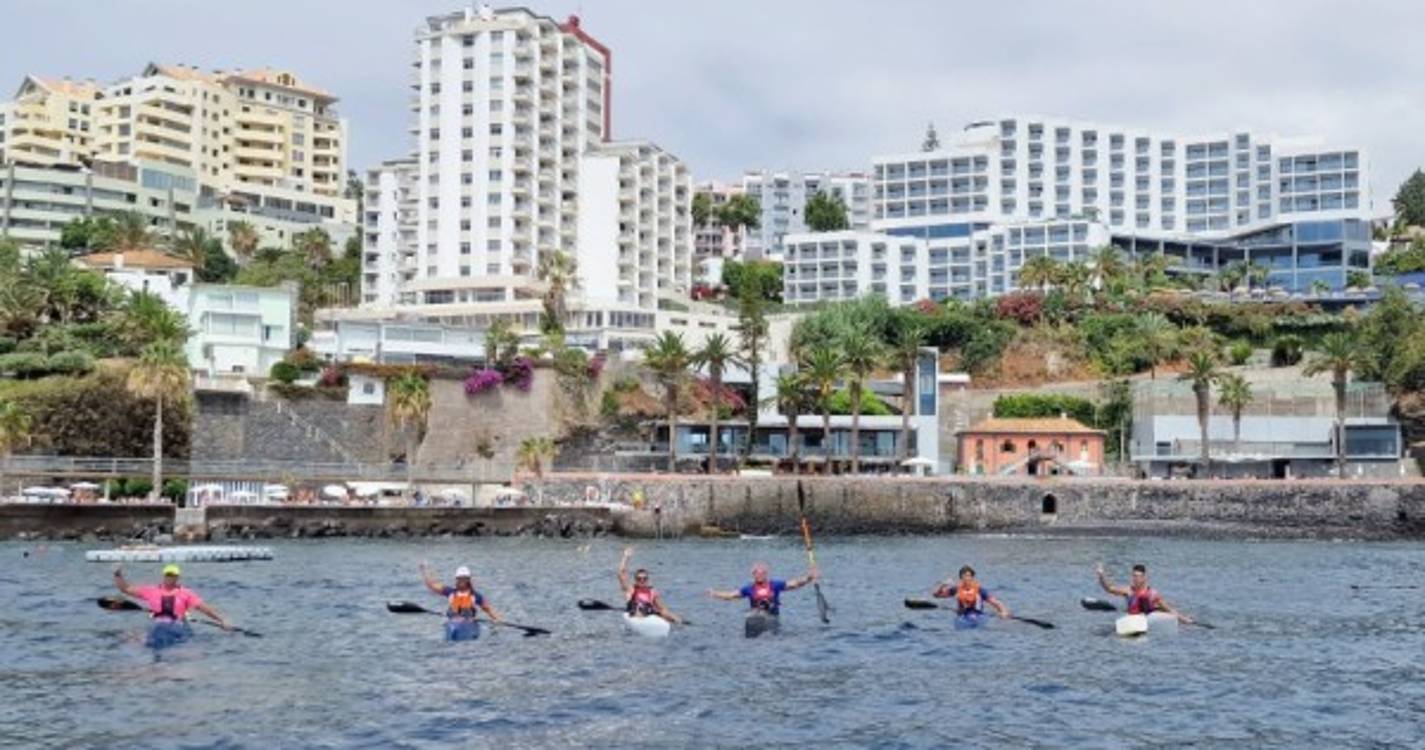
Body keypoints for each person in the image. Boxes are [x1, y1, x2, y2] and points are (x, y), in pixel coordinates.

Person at [112, 563, 229, 629]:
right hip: (157, 627)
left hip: (178, 627)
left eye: (173, 575)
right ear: (164, 575)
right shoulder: (151, 591)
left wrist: (222, 620)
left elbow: (203, 608)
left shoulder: (186, 593)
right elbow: (125, 589)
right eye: (168, 574)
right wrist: (117, 574)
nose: (170, 577)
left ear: (177, 577)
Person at [420, 562, 503, 637]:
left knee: (466, 611)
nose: (462, 581)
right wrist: (424, 571)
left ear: (468, 580)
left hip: (468, 624)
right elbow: (431, 585)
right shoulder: (450, 592)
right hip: (453, 623)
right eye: (460, 578)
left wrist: (497, 620)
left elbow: (488, 609)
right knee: (453, 612)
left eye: (464, 578)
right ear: (456, 579)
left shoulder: (475, 596)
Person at [707, 562, 818, 615]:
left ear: (766, 574)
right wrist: (714, 593)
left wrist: (808, 578)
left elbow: (794, 584)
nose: (759, 575)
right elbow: (731, 595)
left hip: (772, 616)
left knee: (767, 604)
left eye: (762, 573)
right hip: (756, 615)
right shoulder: (749, 588)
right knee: (755, 611)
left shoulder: (775, 585)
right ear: (753, 575)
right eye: (756, 573)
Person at [1095, 563, 1193, 624]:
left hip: (1148, 617)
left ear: (1144, 577)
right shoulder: (1128, 591)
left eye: (1138, 576)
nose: (1135, 579)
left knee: (1158, 607)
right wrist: (1101, 576)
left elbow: (1170, 610)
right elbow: (1109, 589)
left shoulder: (1153, 594)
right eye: (1134, 576)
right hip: (1132, 618)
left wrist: (1184, 619)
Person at [618, 547, 682, 624]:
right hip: (636, 614)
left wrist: (675, 619)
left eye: (644, 578)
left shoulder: (652, 592)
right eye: (639, 578)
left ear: (647, 579)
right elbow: (621, 573)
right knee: (638, 607)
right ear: (635, 580)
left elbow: (663, 609)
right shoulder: (631, 589)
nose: (642, 580)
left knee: (666, 614)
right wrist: (626, 557)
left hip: (649, 615)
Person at [932, 565, 1010, 619]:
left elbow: (996, 603)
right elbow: (936, 595)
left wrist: (1003, 612)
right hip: (963, 616)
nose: (967, 578)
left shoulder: (980, 590)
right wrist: (943, 585)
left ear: (972, 578)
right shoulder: (956, 589)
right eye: (965, 576)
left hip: (978, 615)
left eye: (969, 576)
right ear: (961, 578)